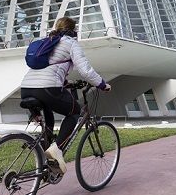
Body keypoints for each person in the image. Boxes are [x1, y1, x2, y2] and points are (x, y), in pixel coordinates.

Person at [20, 17, 110, 174]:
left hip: (27, 87)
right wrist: (102, 84)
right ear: (73, 29)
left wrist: (65, 83)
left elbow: (49, 68)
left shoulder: (46, 41)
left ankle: (45, 157)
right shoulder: (71, 43)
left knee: (48, 111)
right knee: (74, 112)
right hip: (47, 87)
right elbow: (85, 70)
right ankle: (57, 150)